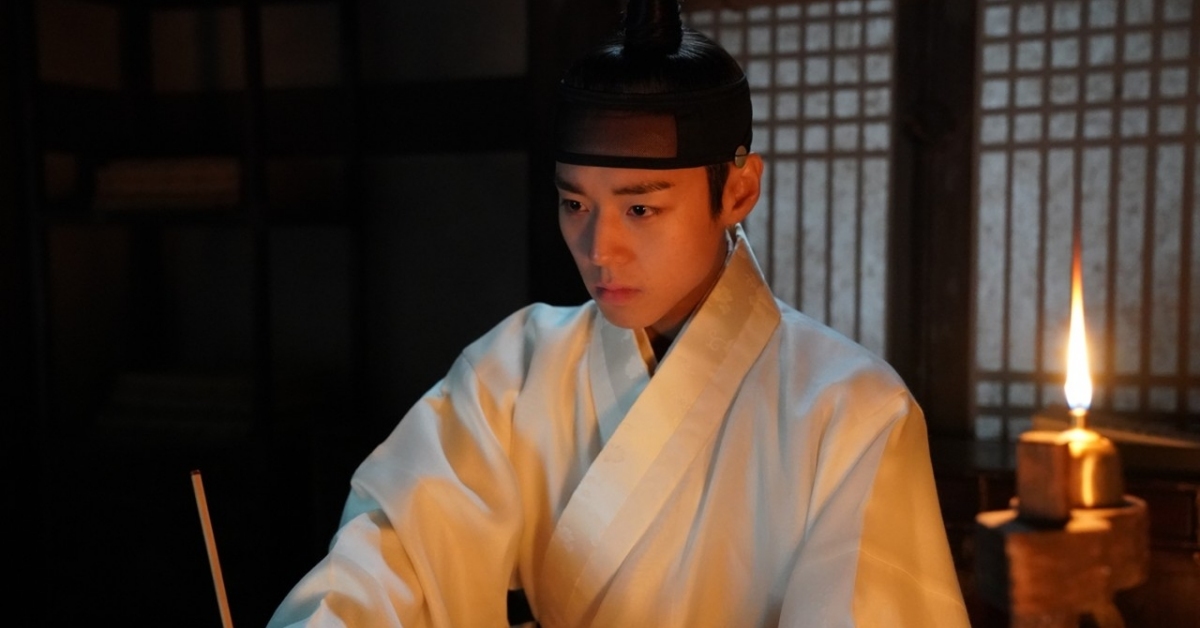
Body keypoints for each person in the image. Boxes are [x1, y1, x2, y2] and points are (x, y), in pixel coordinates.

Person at [267, 0, 970, 625]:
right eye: (575, 203)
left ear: (738, 192)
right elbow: (395, 557)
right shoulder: (514, 370)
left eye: (640, 209)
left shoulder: (851, 410)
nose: (599, 248)